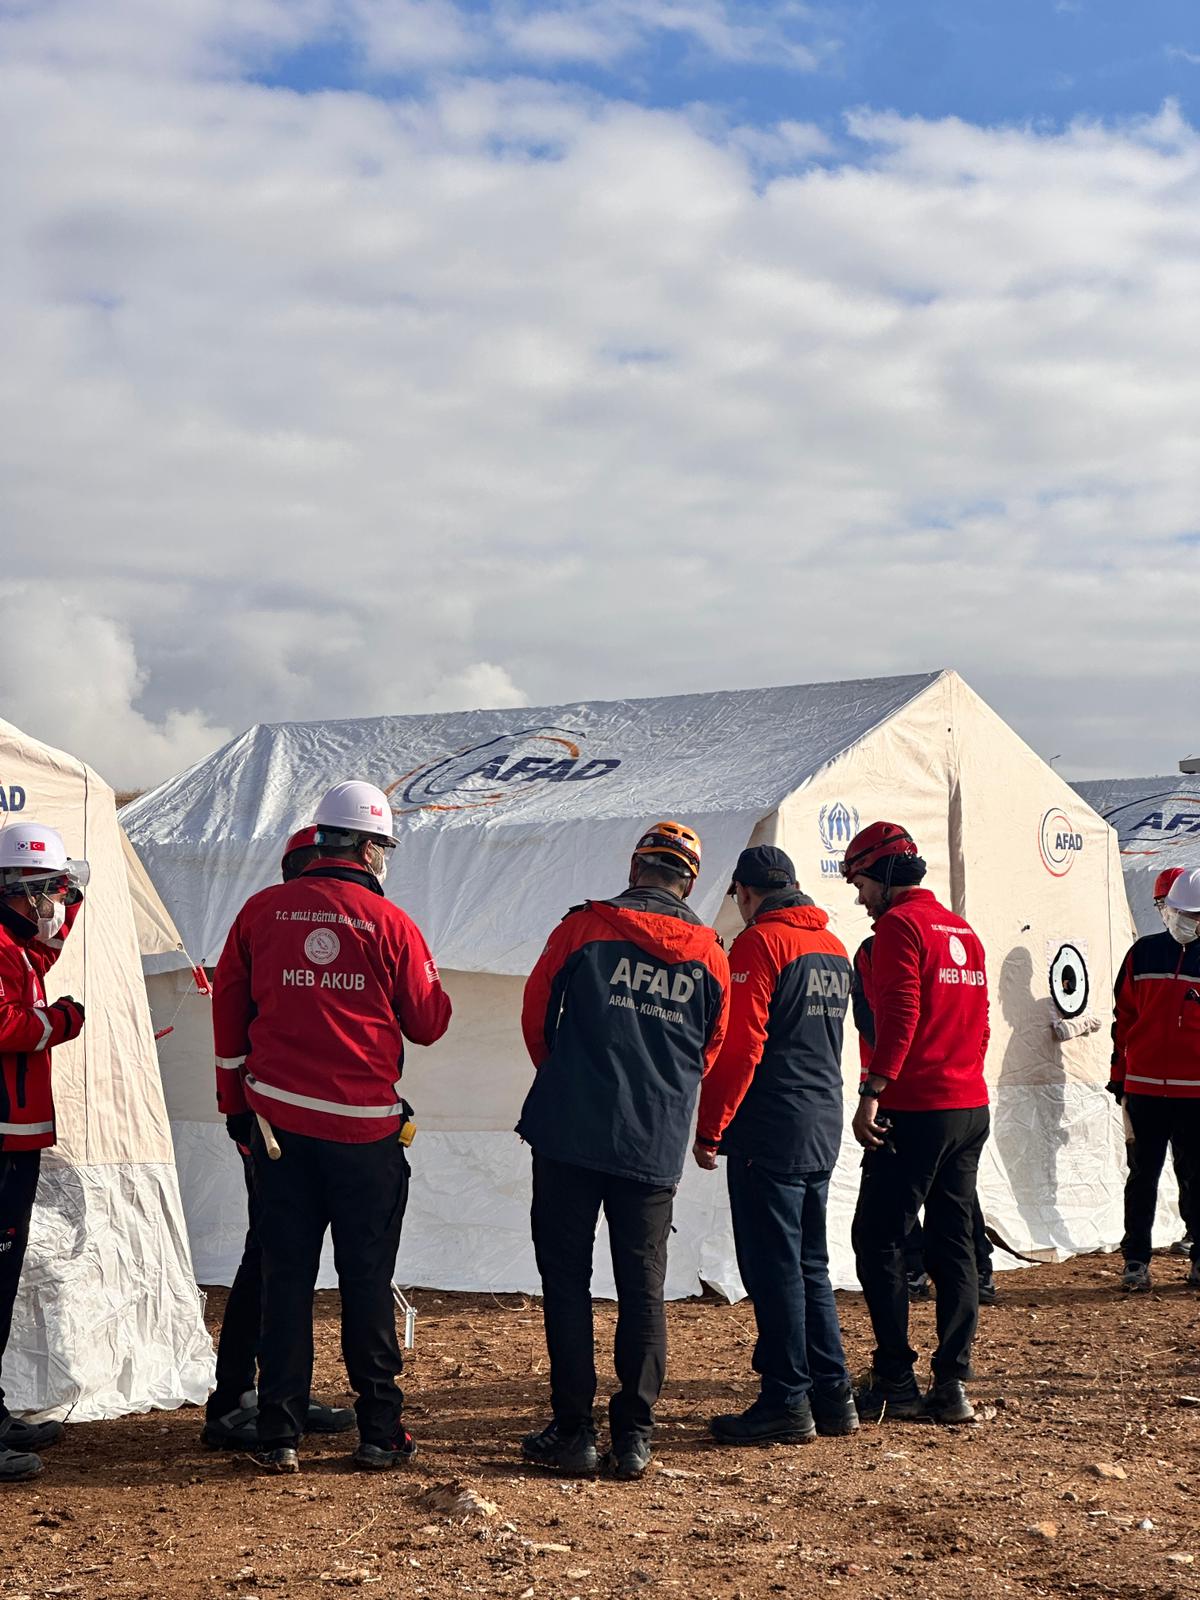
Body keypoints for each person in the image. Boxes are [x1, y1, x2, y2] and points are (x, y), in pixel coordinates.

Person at [213, 781, 451, 1473]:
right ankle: (379, 1430)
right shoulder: (393, 923)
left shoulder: (260, 912)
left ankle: (278, 1434)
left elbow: (228, 1014)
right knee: (367, 1281)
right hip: (365, 1135)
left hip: (279, 1130)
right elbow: (428, 1023)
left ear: (320, 840)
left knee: (285, 1280)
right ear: (370, 847)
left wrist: (235, 1106)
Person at [517, 821, 730, 1480]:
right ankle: (634, 1437)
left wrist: (568, 1080)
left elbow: (536, 1016)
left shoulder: (584, 928)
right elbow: (711, 1048)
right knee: (643, 1291)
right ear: (689, 883)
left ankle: (574, 1433)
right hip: (652, 1141)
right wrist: (660, 1098)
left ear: (637, 868)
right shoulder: (711, 953)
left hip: (569, 1132)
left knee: (567, 1282)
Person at [692, 845, 857, 1446]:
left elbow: (740, 1047)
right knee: (810, 1262)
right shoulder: (832, 944)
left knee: (774, 1267)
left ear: (744, 892)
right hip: (821, 1117)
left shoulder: (760, 943)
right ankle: (833, 1396)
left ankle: (786, 1400)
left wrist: (711, 1126)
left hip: (771, 1124)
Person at [201, 826, 354, 1450]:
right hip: (269, 1123)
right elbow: (230, 1015)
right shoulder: (269, 920)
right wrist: (237, 1109)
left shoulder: (288, 920)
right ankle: (238, 1397)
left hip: (289, 1120)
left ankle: (277, 1391)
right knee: (268, 1254)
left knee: (281, 1257)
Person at [842, 822, 990, 1426]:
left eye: (861, 885)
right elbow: (981, 1023)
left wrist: (873, 1090)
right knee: (954, 1243)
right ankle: (952, 1383)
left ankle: (896, 1380)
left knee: (878, 1238)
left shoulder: (899, 928)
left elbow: (901, 1013)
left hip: (917, 1107)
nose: (860, 899)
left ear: (884, 876)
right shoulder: (962, 930)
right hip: (967, 1107)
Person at [0, 823, 89, 1483]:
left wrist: (72, 895)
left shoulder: (17, 946)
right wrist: (60, 1021)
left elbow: (45, 949)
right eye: (49, 892)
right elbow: (5, 1023)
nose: (54, 906)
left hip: (16, 1134)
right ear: (22, 891)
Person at [853, 933, 997, 1306]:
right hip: (929, 1088)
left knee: (908, 1201)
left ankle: (970, 1266)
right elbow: (872, 1018)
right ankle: (931, 1267)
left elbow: (882, 1019)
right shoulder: (882, 948)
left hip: (911, 1091)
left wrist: (882, 1081)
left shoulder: (884, 946)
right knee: (934, 1194)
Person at [1108, 866, 1200, 1294]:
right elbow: (1123, 1020)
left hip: (1195, 1093)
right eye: (1183, 913)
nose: (1187, 921)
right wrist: (1119, 1077)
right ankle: (1136, 1260)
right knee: (1142, 1177)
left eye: (1195, 915)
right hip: (1144, 1089)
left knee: (1196, 1177)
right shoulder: (1142, 954)